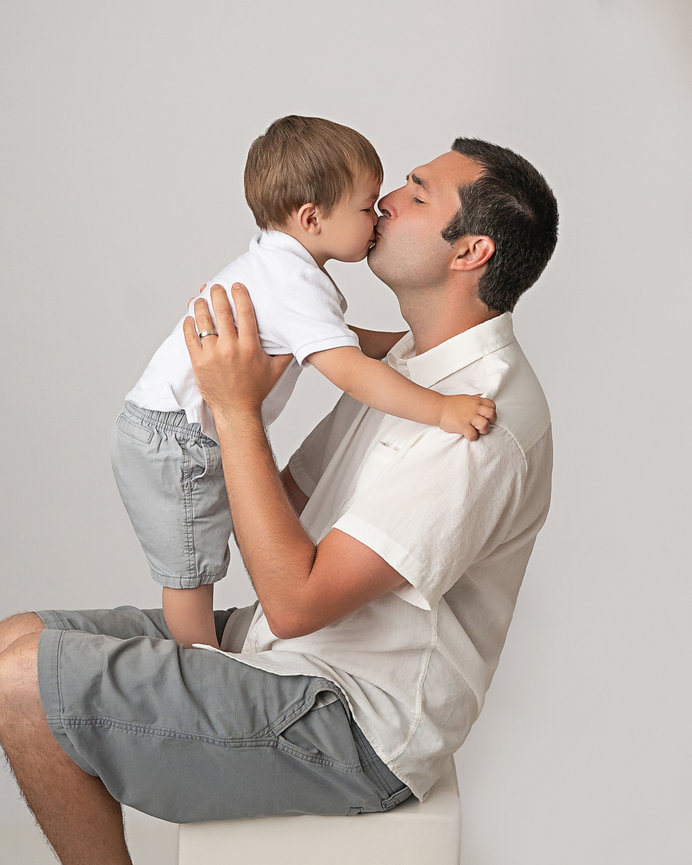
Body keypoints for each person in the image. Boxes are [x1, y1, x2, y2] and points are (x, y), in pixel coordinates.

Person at [0, 136, 558, 865]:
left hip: (348, 722)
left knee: (23, 684)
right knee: (15, 637)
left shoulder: (476, 419)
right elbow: (285, 494)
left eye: (417, 194)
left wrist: (236, 410)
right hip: (283, 652)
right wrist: (190, 437)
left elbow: (296, 599)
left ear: (469, 251)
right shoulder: (406, 370)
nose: (386, 199)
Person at [111, 114, 496, 649]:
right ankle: (200, 663)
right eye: (366, 207)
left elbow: (339, 337)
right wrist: (442, 410)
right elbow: (349, 371)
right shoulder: (293, 282)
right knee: (190, 568)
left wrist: (397, 344)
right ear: (313, 217)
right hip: (176, 437)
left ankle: (199, 658)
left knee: (195, 557)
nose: (380, 212)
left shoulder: (280, 266)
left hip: (163, 426)